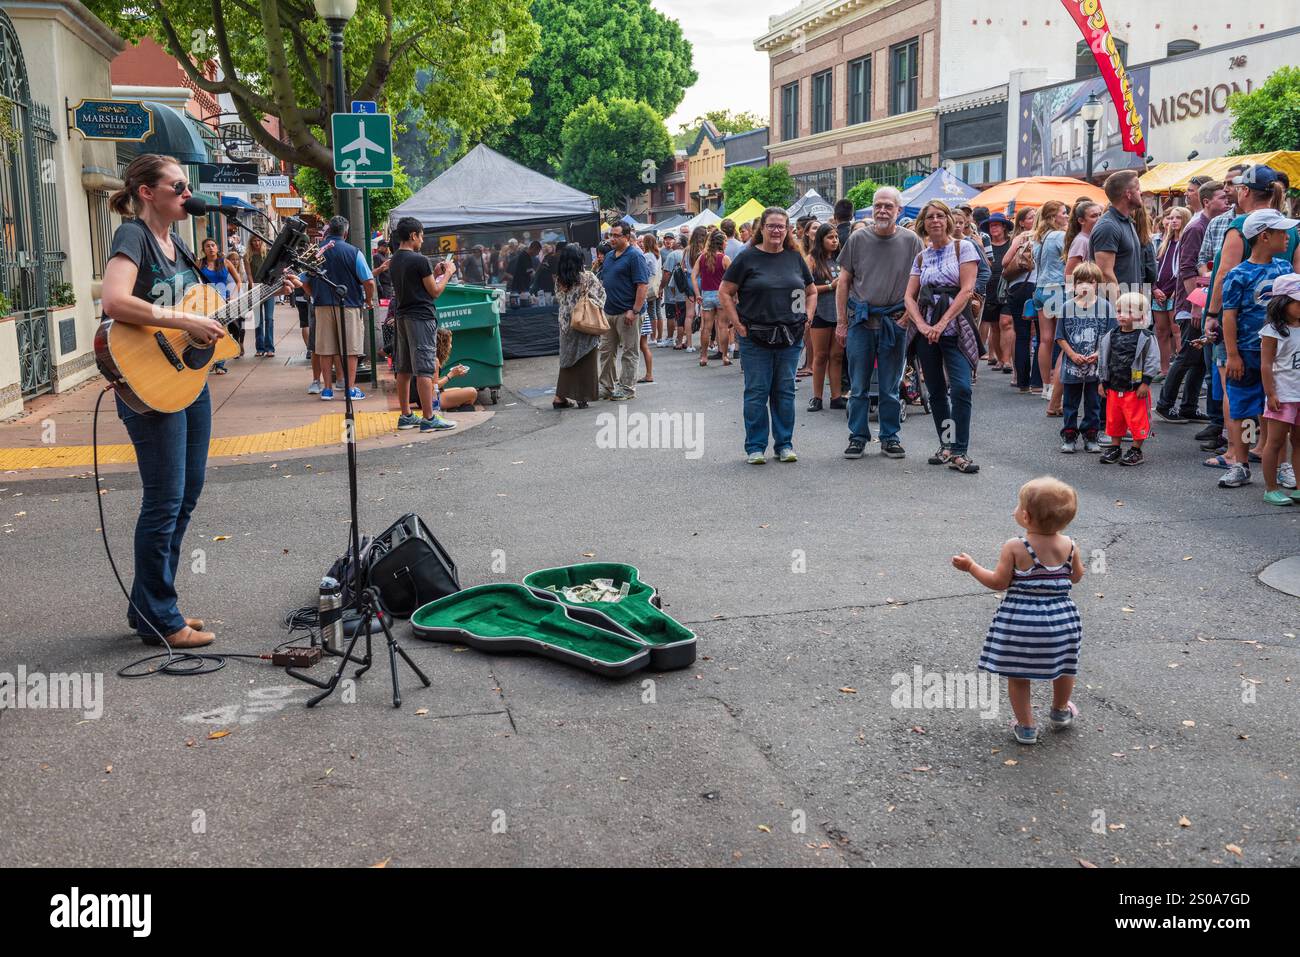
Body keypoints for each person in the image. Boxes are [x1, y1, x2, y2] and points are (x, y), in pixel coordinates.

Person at [100, 154, 290, 649]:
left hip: (187, 381)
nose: (188, 194)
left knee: (185, 497)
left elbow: (210, 316)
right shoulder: (133, 236)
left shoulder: (178, 244)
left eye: (188, 186)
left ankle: (151, 607)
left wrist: (269, 289)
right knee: (163, 501)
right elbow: (115, 302)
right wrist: (183, 323)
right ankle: (163, 618)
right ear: (147, 192)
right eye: (178, 186)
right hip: (148, 383)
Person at [952, 477, 1084, 746]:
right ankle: (1060, 712)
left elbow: (998, 582)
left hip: (1021, 623)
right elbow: (1076, 577)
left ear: (1025, 515)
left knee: (1019, 674)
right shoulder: (1070, 545)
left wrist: (971, 567)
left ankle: (1026, 727)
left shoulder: (1015, 546)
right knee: (1064, 667)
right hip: (1062, 621)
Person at [1204, 165, 1300, 466]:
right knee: (1257, 397)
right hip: (1257, 342)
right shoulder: (1287, 236)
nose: (1286, 236)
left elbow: (1221, 274)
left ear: (1246, 190)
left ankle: (1243, 454)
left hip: (1263, 342)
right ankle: (1249, 453)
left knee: (1256, 397)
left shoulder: (1242, 229)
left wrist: (1211, 314)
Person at [719, 206, 816, 464]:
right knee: (757, 392)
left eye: (781, 226)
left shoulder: (795, 258)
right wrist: (737, 325)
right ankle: (755, 447)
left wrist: (807, 316)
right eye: (771, 226)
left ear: (788, 230)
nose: (776, 231)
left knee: (785, 391)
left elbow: (812, 290)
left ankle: (784, 444)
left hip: (790, 337)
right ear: (761, 228)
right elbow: (725, 291)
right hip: (755, 337)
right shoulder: (747, 257)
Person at [836, 186, 922, 460]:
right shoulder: (857, 238)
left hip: (894, 323)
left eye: (888, 206)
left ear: (898, 210)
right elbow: (844, 283)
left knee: (890, 386)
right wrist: (841, 322)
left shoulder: (912, 241)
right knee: (859, 387)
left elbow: (921, 283)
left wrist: (907, 318)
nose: (882, 210)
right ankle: (857, 437)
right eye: (878, 205)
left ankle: (890, 437)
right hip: (860, 322)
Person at [1216, 209, 1299, 489]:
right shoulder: (1238, 274)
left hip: (1278, 355)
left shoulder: (1285, 270)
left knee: (1276, 409)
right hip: (1246, 352)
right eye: (1281, 232)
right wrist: (1232, 354)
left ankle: (1281, 465)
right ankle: (1239, 464)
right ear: (1264, 236)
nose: (1288, 237)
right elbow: (1229, 315)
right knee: (1241, 407)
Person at [905, 200, 981, 474]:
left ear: (948, 220)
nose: (935, 221)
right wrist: (924, 325)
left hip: (955, 327)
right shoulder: (921, 257)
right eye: (930, 217)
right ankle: (946, 444)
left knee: (961, 388)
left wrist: (942, 322)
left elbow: (967, 290)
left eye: (940, 216)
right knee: (936, 391)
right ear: (923, 223)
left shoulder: (964, 247)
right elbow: (908, 296)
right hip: (927, 331)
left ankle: (961, 450)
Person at [1157, 181, 1229, 424]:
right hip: (1192, 306)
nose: (1227, 200)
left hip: (1201, 304)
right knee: (1187, 355)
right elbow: (1188, 269)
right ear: (1207, 201)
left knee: (1198, 358)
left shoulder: (1209, 224)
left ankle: (1188, 406)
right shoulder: (1197, 227)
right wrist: (1197, 305)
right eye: (1221, 197)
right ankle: (1164, 404)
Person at [389, 216, 458, 432]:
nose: (422, 240)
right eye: (421, 235)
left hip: (402, 316)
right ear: (413, 235)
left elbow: (416, 283)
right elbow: (435, 292)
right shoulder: (419, 260)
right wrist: (447, 273)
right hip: (421, 317)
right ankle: (429, 418)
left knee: (404, 367)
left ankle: (406, 415)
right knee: (425, 368)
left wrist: (434, 272)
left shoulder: (395, 260)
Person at [305, 216, 376, 401]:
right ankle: (350, 389)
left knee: (325, 349)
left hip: (322, 305)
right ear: (346, 232)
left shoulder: (317, 252)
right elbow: (369, 281)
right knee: (351, 349)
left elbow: (302, 279)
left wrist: (314, 294)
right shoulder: (354, 252)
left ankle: (327, 389)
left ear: (328, 232)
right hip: (349, 305)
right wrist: (368, 300)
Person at [1054, 263, 1113, 453]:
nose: (1085, 286)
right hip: (1072, 367)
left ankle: (1091, 435)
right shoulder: (1066, 307)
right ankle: (1069, 436)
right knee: (1070, 403)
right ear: (1074, 284)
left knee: (1093, 404)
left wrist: (1098, 354)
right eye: (1080, 282)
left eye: (1091, 282)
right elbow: (1060, 336)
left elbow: (1111, 336)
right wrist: (1071, 354)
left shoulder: (1106, 307)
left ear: (1098, 284)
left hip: (1095, 369)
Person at [1097, 292, 1160, 466]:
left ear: (1141, 314)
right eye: (1119, 311)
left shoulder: (1146, 337)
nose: (1122, 315)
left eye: (1128, 311)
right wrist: (1103, 381)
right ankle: (1115, 447)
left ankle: (1136, 449)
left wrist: (1146, 382)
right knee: (1114, 419)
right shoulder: (1111, 335)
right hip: (1114, 387)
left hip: (1135, 388)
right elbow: (1103, 358)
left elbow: (1152, 360)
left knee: (1137, 419)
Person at [1259, 274, 1300, 504]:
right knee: (1274, 442)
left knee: (1299, 441)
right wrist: (1271, 393)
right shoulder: (1272, 331)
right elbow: (1266, 365)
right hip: (1282, 395)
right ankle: (1271, 487)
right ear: (1282, 302)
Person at [598, 223, 650, 400]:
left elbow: (642, 285)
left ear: (627, 237)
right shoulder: (610, 256)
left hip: (628, 313)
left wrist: (634, 310)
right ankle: (606, 386)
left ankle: (627, 388)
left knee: (629, 352)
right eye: (611, 235)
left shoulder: (635, 256)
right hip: (609, 311)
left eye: (616, 235)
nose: (612, 238)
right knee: (606, 351)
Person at [553, 242, 604, 409]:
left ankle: (560, 397)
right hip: (585, 323)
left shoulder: (559, 280)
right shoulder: (587, 277)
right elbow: (601, 296)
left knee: (567, 361)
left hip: (566, 325)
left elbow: (560, 301)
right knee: (586, 361)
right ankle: (583, 397)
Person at [1031, 201, 1070, 409]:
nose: (1067, 216)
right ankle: (1055, 388)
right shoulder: (1060, 236)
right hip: (1057, 288)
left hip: (1040, 289)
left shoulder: (1038, 238)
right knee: (1062, 339)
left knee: (1044, 340)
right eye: (1064, 213)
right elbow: (1069, 262)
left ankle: (1046, 386)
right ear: (1054, 217)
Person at [1000, 207, 1039, 392]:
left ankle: (1027, 381)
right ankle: (1031, 381)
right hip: (1027, 286)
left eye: (1035, 217)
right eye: (1030, 217)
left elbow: (1005, 263)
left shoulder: (1032, 236)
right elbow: (1005, 262)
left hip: (1025, 287)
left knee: (1030, 335)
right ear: (1022, 222)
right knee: (1030, 335)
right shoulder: (1025, 237)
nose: (1033, 220)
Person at [805, 223, 843, 411]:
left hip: (839, 313)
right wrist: (830, 287)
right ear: (821, 239)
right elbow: (805, 288)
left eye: (836, 237)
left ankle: (836, 397)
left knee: (836, 356)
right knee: (820, 356)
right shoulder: (811, 260)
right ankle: (817, 397)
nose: (834, 241)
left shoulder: (841, 259)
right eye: (830, 237)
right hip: (820, 313)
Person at [1093, 170, 1146, 298]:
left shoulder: (1127, 222)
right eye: (1138, 189)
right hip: (1117, 309)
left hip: (1130, 305)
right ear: (1128, 194)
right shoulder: (1108, 226)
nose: (1141, 193)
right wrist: (1120, 308)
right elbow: (1105, 274)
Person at [1152, 206, 1191, 374]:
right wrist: (1154, 288)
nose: (1174, 221)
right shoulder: (1163, 243)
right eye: (1172, 218)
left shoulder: (1186, 242)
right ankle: (1164, 370)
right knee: (1161, 331)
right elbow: (1154, 267)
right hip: (1159, 290)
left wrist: (1178, 289)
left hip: (1176, 292)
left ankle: (1180, 372)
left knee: (1177, 331)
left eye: (1178, 217)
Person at [197, 238, 240, 375]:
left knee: (221, 331)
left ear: (217, 247)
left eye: (213, 245)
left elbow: (238, 281)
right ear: (204, 250)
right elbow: (193, 281)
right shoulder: (200, 264)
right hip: (206, 301)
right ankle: (209, 362)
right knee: (207, 331)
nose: (210, 248)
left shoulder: (225, 262)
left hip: (223, 301)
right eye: (207, 246)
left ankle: (220, 364)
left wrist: (233, 296)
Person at [694, 230, 732, 367]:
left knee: (706, 328)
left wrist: (698, 293)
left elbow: (693, 275)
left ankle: (703, 357)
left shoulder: (702, 257)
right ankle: (725, 356)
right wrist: (734, 296)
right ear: (722, 243)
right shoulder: (725, 258)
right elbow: (733, 278)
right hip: (721, 295)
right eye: (726, 241)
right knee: (723, 327)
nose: (726, 243)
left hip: (706, 294)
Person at [982, 213, 1013, 372]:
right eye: (991, 225)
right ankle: (1001, 359)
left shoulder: (1011, 243)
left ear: (1004, 227)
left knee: (1006, 322)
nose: (993, 228)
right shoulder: (984, 245)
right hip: (989, 289)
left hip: (1007, 288)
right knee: (994, 326)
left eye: (997, 225)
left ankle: (1008, 361)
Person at [245, 234, 277, 357]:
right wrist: (252, 286)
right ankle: (260, 347)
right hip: (255, 289)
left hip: (268, 288)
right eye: (254, 241)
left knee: (269, 318)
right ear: (251, 242)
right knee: (258, 320)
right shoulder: (247, 255)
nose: (257, 243)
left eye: (258, 240)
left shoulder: (268, 253)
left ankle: (270, 348)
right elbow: (249, 274)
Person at [637, 234, 660, 382]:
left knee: (653, 313)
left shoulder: (647, 256)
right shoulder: (656, 255)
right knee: (655, 312)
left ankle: (654, 336)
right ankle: (649, 374)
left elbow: (645, 273)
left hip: (644, 297)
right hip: (652, 290)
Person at [682, 226, 708, 353]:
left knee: (689, 314)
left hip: (688, 281)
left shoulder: (687, 250)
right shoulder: (704, 251)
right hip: (701, 281)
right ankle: (705, 345)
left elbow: (683, 267)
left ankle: (689, 344)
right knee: (704, 314)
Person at [659, 233, 686, 349]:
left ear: (678, 243)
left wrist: (661, 287)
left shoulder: (672, 255)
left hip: (673, 290)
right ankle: (685, 340)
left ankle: (671, 338)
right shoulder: (688, 253)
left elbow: (667, 273)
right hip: (687, 290)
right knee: (685, 316)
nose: (671, 242)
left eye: (673, 240)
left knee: (671, 315)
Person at [1064, 201, 1101, 277]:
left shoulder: (1091, 238)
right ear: (1081, 221)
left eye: (1100, 214)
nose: (1099, 218)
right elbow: (1068, 275)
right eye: (1094, 216)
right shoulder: (1081, 241)